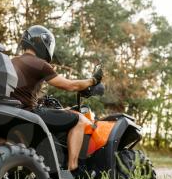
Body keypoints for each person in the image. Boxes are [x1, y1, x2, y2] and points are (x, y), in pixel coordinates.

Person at [11, 25, 103, 171]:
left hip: (15, 112)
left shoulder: (13, 61)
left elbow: (22, 91)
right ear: (43, 43)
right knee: (78, 119)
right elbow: (69, 86)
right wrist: (92, 80)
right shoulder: (41, 64)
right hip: (31, 113)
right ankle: (73, 166)